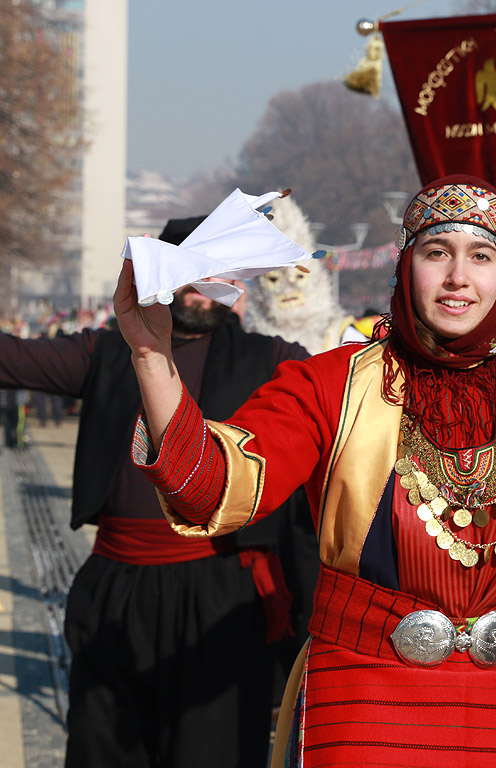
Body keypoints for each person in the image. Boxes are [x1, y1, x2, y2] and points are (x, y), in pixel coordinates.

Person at [114, 176, 496, 768]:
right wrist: (151, 355)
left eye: (482, 256)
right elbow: (213, 490)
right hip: (364, 695)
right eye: (437, 252)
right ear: (405, 265)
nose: (458, 278)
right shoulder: (330, 384)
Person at [0, 217, 310, 768]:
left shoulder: (273, 360)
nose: (199, 286)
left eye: (215, 273)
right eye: (188, 270)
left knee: (210, 752)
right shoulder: (104, 350)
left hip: (220, 592)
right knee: (102, 749)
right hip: (115, 585)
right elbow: (11, 357)